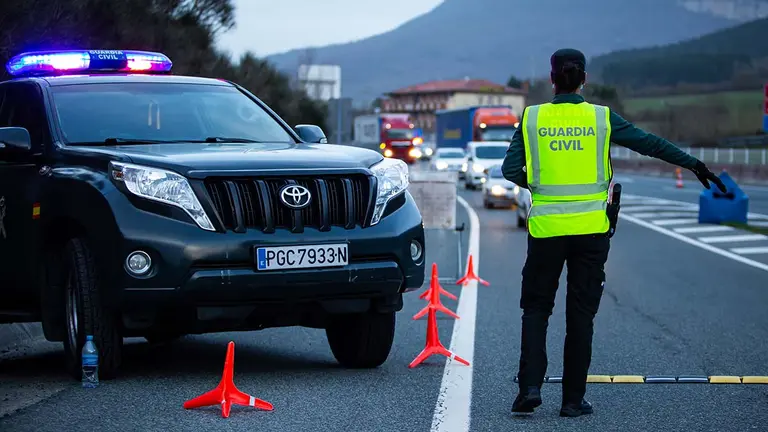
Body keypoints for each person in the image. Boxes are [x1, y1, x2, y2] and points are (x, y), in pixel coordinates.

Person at [501, 48, 726, 418]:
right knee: (581, 315)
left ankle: (529, 389)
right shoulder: (601, 118)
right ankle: (573, 400)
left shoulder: (532, 118)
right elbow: (650, 143)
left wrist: (537, 185)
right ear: (585, 79)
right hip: (592, 232)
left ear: (553, 78)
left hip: (546, 230)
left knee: (537, 308)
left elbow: (511, 169)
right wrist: (693, 163)